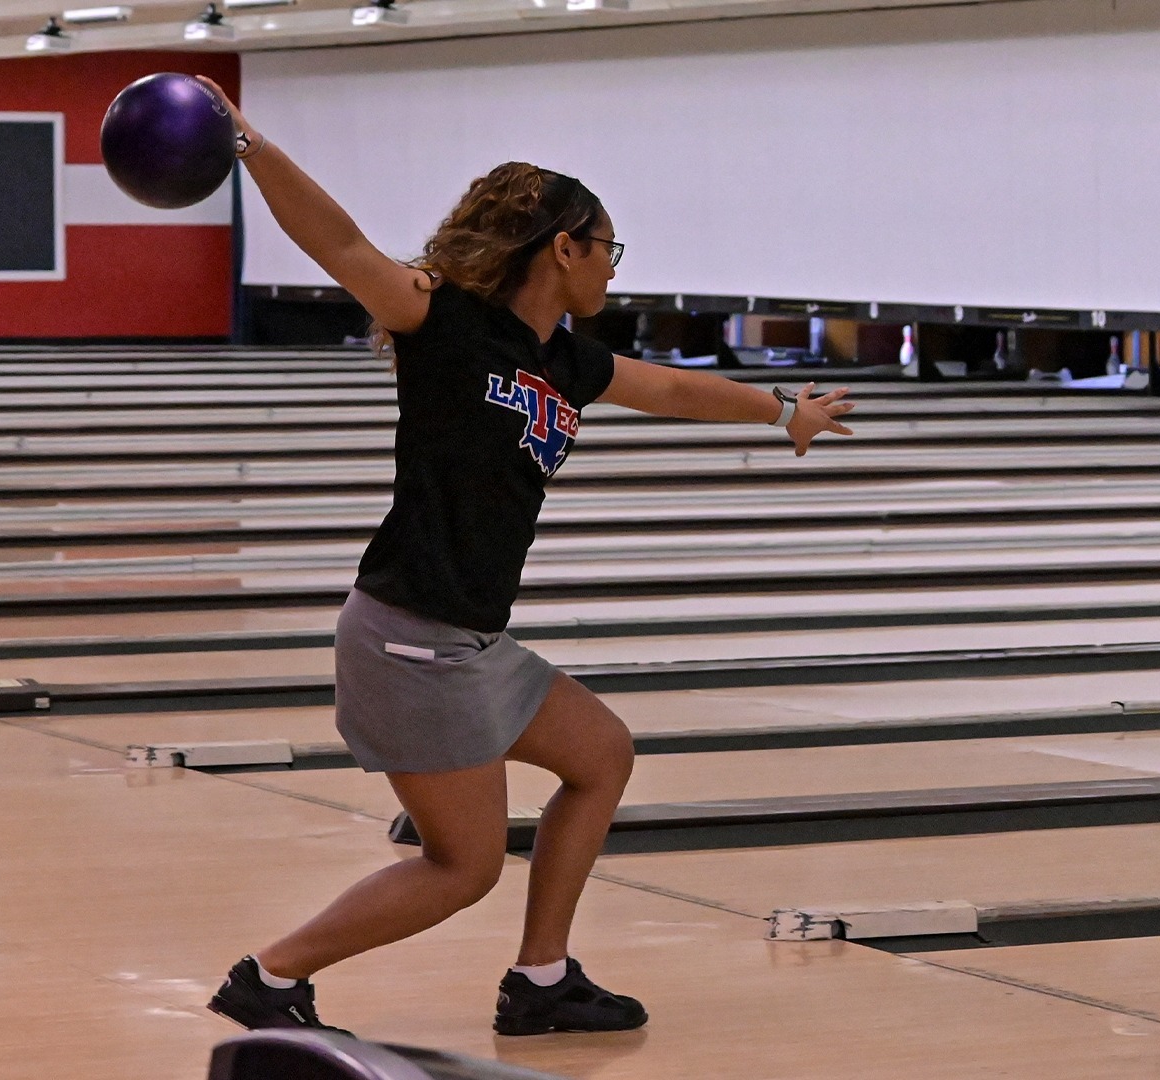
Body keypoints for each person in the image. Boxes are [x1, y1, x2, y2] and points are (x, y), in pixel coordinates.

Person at [198, 78, 855, 1037]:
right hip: (411, 637)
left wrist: (780, 410)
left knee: (601, 754)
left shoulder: (562, 358)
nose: (614, 271)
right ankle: (273, 977)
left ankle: (542, 980)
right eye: (608, 250)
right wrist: (245, 140)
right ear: (564, 246)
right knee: (460, 868)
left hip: (467, 639)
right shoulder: (447, 325)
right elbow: (339, 244)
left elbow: (666, 390)